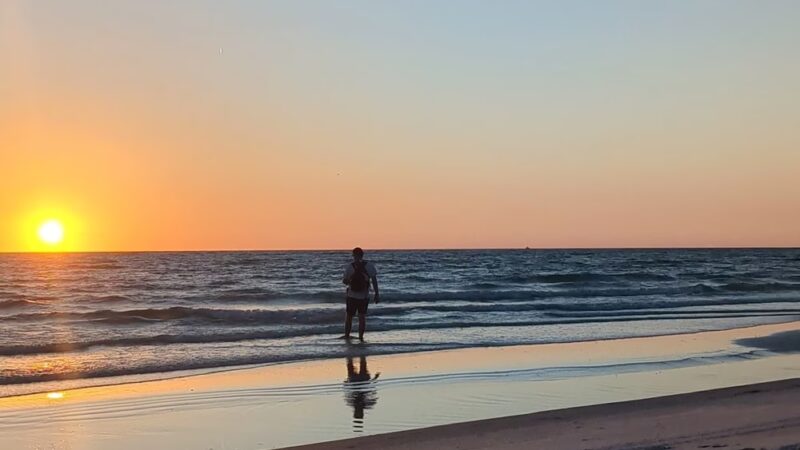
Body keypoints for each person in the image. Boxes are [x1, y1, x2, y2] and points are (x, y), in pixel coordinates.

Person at [342, 247, 379, 341]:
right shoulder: (369, 265)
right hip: (364, 296)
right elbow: (374, 281)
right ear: (362, 255)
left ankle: (347, 336)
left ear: (354, 255)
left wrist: (350, 280)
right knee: (362, 317)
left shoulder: (350, 266)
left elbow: (344, 281)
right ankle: (361, 337)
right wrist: (376, 293)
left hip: (351, 295)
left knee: (349, 317)